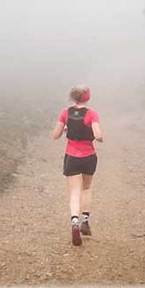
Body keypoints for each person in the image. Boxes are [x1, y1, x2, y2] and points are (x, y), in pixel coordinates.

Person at [50, 85, 102, 246]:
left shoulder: (65, 113)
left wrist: (66, 129)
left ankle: (74, 222)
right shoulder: (92, 114)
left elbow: (55, 136)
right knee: (86, 188)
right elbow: (98, 136)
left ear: (73, 97)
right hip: (89, 157)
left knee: (74, 192)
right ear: (88, 98)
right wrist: (96, 136)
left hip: (71, 156)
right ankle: (85, 221)